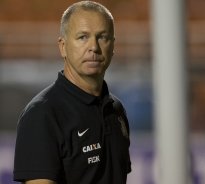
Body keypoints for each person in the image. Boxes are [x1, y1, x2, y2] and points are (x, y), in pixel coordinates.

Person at [13, 1, 131, 184]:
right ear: (62, 46)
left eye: (102, 37)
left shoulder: (116, 110)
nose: (94, 47)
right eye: (83, 37)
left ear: (112, 46)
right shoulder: (42, 114)